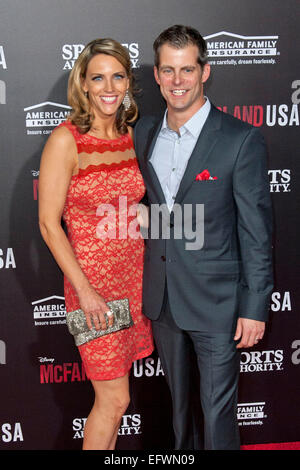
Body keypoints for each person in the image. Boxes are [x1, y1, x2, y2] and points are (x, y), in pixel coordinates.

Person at [134, 25, 273, 450]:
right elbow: (158, 215)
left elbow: (256, 232)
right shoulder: (143, 134)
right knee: (178, 413)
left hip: (219, 304)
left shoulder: (239, 139)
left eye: (187, 70)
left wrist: (255, 306)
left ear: (205, 72)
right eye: (169, 70)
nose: (178, 81)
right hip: (163, 302)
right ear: (156, 75)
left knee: (216, 412)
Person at [38, 38, 154, 450]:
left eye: (118, 76)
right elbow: (50, 225)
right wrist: (85, 291)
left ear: (127, 83)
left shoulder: (128, 134)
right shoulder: (66, 140)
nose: (109, 86)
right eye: (98, 78)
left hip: (133, 283)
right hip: (92, 291)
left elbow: (131, 206)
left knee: (117, 402)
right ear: (83, 84)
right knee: (114, 398)